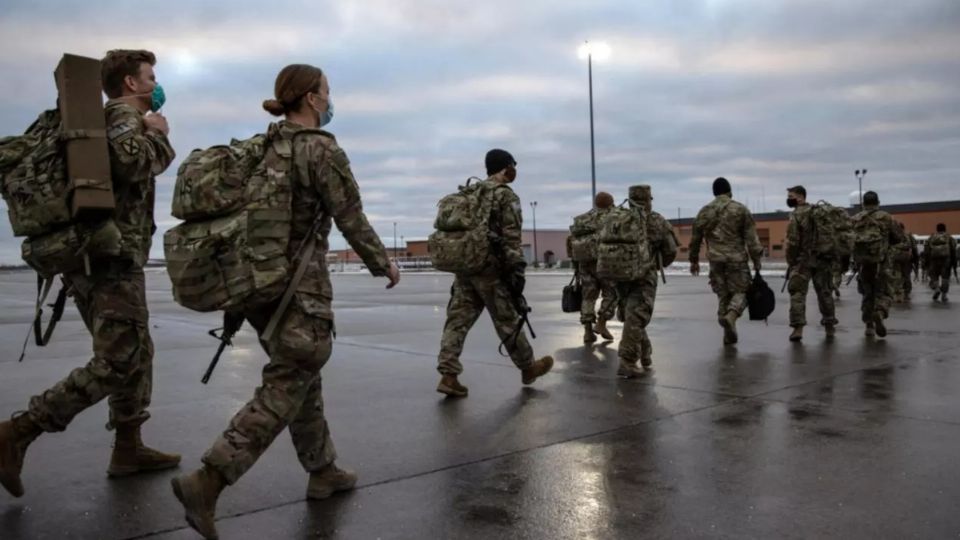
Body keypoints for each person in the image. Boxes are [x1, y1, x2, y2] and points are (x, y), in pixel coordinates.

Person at [170, 64, 401, 539]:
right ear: (312, 100)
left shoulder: (262, 146)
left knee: (302, 377)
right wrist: (384, 263)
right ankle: (209, 480)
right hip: (298, 285)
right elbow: (350, 215)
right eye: (327, 92)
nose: (330, 100)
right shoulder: (319, 148)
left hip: (257, 282)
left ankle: (323, 470)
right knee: (292, 376)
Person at [0, 49, 179, 499]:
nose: (156, 84)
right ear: (131, 84)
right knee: (119, 360)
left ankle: (128, 447)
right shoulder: (122, 114)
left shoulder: (107, 116)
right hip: (109, 259)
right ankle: (16, 432)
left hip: (96, 255)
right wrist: (158, 136)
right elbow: (130, 162)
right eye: (150, 77)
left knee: (136, 352)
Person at [435, 149, 554, 398]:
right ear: (504, 167)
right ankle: (528, 367)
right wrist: (516, 269)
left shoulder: (469, 193)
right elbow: (511, 237)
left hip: (466, 266)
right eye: (512, 165)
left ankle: (448, 374)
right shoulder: (504, 195)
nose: (514, 170)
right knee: (507, 319)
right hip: (490, 269)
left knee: (457, 320)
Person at [688, 177, 763, 345]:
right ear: (730, 191)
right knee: (742, 291)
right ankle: (731, 315)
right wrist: (757, 259)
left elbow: (695, 239)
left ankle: (728, 333)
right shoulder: (740, 210)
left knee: (723, 295)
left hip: (715, 260)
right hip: (736, 259)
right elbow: (752, 239)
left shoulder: (704, 211)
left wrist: (694, 260)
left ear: (714, 193)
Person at [617, 185, 677, 377]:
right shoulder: (657, 220)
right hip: (644, 276)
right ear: (648, 199)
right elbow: (671, 250)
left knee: (631, 314)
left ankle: (645, 352)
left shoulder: (620, 218)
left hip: (620, 275)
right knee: (637, 316)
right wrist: (656, 264)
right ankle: (627, 361)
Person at [784, 186, 838, 341]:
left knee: (797, 294)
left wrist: (791, 260)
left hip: (802, 261)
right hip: (822, 260)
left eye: (791, 195)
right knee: (825, 293)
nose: (789, 198)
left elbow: (793, 241)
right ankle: (829, 326)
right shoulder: (819, 212)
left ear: (801, 197)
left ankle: (798, 329)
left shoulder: (797, 214)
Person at [852, 191, 905, 338]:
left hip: (863, 264)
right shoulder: (886, 217)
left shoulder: (855, 219)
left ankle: (868, 326)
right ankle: (880, 313)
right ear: (878, 202)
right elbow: (898, 237)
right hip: (883, 262)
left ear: (863, 203)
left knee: (867, 293)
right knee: (886, 292)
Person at [566, 192, 618, 343]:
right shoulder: (612, 217)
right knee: (612, 294)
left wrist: (576, 265)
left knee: (588, 296)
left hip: (585, 262)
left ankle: (588, 331)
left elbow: (571, 240)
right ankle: (602, 323)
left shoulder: (583, 219)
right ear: (610, 203)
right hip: (606, 262)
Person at [925, 223, 957, 303]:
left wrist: (927, 261)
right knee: (945, 277)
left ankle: (937, 289)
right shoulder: (949, 237)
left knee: (934, 276)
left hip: (934, 260)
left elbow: (926, 250)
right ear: (945, 229)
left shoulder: (932, 237)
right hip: (946, 260)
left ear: (937, 229)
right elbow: (953, 249)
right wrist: (954, 262)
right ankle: (944, 295)